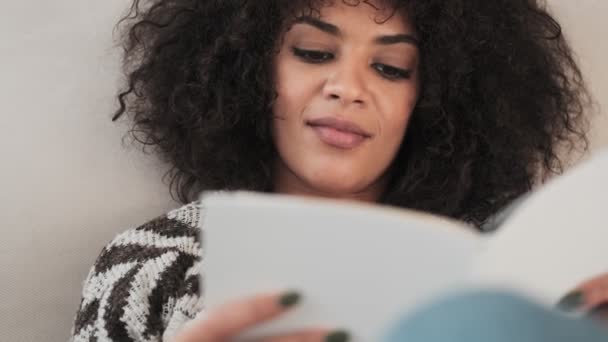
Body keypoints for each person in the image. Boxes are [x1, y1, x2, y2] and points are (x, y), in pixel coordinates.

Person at [70, 0, 592, 341]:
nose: (348, 87)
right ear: (250, 71)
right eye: (314, 53)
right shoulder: (152, 264)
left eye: (390, 68)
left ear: (433, 101)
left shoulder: (496, 262)